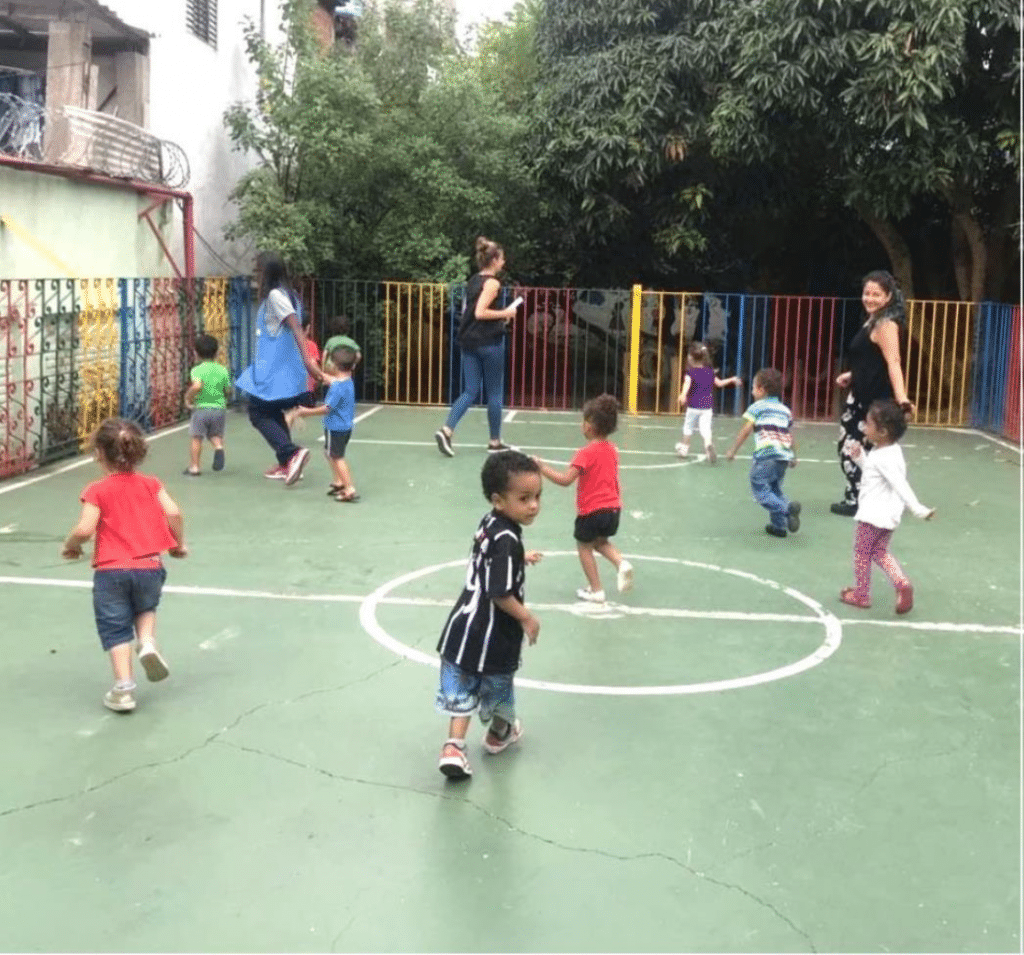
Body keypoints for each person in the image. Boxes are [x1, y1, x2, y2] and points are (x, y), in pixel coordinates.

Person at [61, 418, 187, 713]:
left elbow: (84, 529)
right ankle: (147, 643)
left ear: (99, 454)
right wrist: (177, 544)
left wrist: (71, 546)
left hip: (112, 570)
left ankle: (124, 689)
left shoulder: (97, 490)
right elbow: (174, 513)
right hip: (149, 566)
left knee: (115, 629)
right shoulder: (152, 484)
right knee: (145, 608)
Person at [436, 451, 543, 780]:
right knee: (499, 688)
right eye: (524, 498)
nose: (534, 505)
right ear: (499, 500)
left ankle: (453, 746)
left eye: (538, 497)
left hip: (461, 629)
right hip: (493, 637)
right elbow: (500, 594)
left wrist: (520, 557)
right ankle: (500, 732)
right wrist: (526, 617)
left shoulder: (490, 524)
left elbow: (488, 554)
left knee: (463, 689)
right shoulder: (509, 540)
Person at [534, 394, 634, 603]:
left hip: (591, 510)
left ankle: (596, 590)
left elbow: (565, 480)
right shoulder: (612, 450)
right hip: (613, 509)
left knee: (584, 547)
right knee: (601, 542)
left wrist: (542, 467)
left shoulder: (585, 453)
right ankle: (621, 563)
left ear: (589, 426)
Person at [235, 252, 323, 486]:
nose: (256, 274)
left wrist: (308, 362)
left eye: (258, 270)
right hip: (283, 369)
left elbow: (295, 326)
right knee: (272, 411)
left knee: (258, 412)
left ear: (267, 272)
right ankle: (287, 462)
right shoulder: (290, 295)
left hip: (275, 370)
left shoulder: (276, 296)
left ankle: (290, 453)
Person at [832, 270, 915, 516]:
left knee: (855, 449)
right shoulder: (872, 321)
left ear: (888, 297)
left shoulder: (887, 325)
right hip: (858, 396)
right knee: (850, 448)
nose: (869, 298)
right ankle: (858, 496)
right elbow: (870, 359)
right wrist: (852, 374)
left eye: (876, 294)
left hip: (873, 401)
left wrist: (902, 398)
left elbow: (894, 362)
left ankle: (861, 500)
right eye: (867, 293)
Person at [840, 399, 935, 613]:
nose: (864, 427)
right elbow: (877, 475)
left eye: (868, 424)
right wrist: (860, 459)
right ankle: (901, 583)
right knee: (880, 552)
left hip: (873, 515)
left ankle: (862, 595)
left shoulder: (882, 457)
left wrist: (918, 508)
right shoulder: (891, 452)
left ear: (882, 431)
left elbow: (900, 484)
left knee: (862, 553)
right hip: (888, 517)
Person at [434, 236, 518, 457]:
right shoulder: (492, 283)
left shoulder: (473, 281)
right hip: (489, 343)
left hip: (469, 341)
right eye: (502, 258)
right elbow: (481, 312)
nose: (504, 261)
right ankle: (494, 441)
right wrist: (506, 313)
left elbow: (472, 312)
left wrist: (499, 317)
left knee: (470, 390)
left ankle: (447, 430)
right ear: (495, 260)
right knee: (495, 393)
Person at [725, 368, 801, 538]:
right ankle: (779, 527)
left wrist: (732, 450)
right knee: (775, 489)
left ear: (760, 389)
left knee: (760, 488)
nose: (751, 391)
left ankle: (787, 510)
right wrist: (793, 455)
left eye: (752, 387)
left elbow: (746, 431)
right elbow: (790, 435)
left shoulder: (757, 407)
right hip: (782, 456)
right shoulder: (785, 410)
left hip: (766, 455)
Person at [293, 345, 360, 502]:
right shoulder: (347, 381)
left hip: (335, 427)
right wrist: (317, 371)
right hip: (344, 427)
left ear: (335, 366)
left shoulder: (337, 387)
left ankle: (348, 488)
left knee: (337, 457)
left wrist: (305, 412)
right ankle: (338, 482)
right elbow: (332, 380)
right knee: (330, 453)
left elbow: (326, 409)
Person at [675, 341, 743, 462]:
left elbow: (687, 384)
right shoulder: (709, 372)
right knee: (705, 429)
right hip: (707, 407)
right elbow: (720, 383)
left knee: (688, 427)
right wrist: (732, 379)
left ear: (690, 358)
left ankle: (684, 448)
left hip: (693, 406)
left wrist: (683, 395)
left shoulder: (690, 373)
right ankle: (708, 445)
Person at [183, 333, 231, 476]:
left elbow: (197, 386)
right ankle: (218, 447)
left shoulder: (197, 370)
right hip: (219, 408)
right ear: (216, 353)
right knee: (215, 433)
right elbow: (227, 390)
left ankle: (195, 467)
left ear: (196, 353)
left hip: (201, 408)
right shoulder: (222, 370)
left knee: (196, 437)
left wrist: (187, 397)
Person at [284, 314, 322, 432]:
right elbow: (313, 365)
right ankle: (294, 415)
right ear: (308, 328)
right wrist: (321, 377)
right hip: (306, 393)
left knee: (289, 410)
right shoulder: (310, 345)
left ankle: (291, 417)